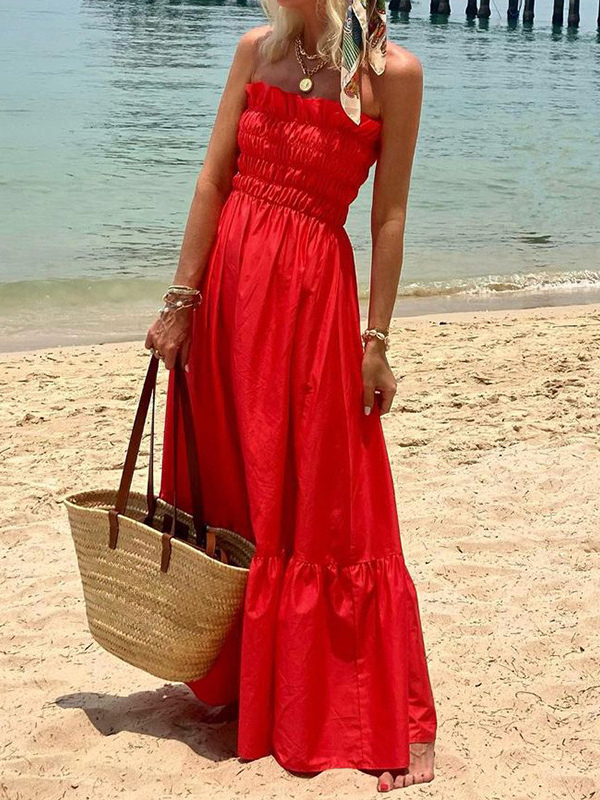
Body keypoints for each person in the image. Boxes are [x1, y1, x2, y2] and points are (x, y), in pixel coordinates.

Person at [145, 0, 437, 791]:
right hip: (231, 295)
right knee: (238, 487)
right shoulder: (255, 49)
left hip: (312, 304)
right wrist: (181, 303)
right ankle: (250, 680)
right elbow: (213, 179)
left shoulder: (392, 76)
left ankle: (371, 709)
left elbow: (389, 217)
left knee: (330, 498)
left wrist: (376, 341)